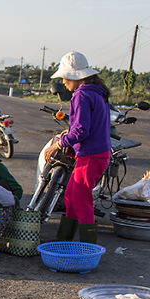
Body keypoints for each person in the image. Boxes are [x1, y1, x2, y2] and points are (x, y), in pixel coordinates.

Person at [46, 51, 112, 243]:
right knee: (71, 196)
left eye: (65, 77)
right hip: (98, 153)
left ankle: (87, 248)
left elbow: (81, 132)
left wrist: (58, 144)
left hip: (91, 155)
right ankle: (63, 241)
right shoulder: (97, 92)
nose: (64, 82)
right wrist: (69, 134)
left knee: (82, 200)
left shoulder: (81, 95)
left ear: (75, 76)